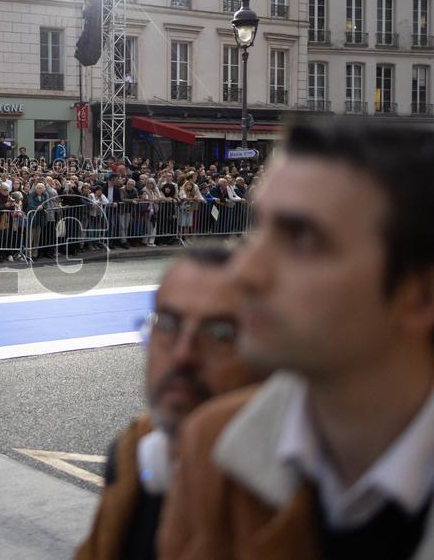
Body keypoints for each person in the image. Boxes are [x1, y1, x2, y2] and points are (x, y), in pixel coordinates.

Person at [160, 121, 434, 560]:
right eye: (258, 230)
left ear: (419, 296)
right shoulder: (212, 447)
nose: (244, 272)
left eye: (303, 238)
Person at [74, 247, 260, 560]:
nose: (183, 354)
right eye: (169, 325)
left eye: (219, 334)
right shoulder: (129, 458)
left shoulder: (296, 506)